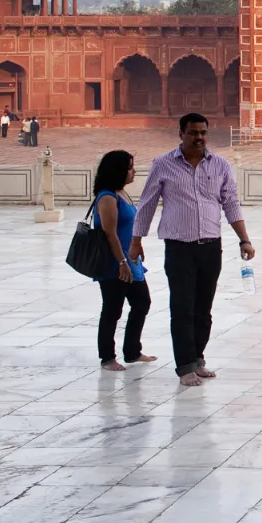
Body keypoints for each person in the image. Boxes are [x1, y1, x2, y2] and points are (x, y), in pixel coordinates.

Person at [132, 112, 256, 388]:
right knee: (182, 306)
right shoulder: (163, 164)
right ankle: (185, 365)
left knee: (203, 308)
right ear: (181, 134)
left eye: (203, 133)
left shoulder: (220, 165)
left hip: (210, 246)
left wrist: (244, 239)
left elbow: (231, 203)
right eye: (193, 133)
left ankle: (198, 358)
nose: (199, 138)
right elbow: (147, 203)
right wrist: (136, 240)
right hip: (179, 247)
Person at [90, 150, 155, 372]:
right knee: (112, 309)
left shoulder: (122, 193)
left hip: (131, 261)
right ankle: (107, 357)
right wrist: (121, 263)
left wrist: (137, 247)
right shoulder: (108, 197)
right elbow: (111, 234)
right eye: (129, 167)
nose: (133, 171)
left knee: (142, 303)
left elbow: (129, 227)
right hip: (114, 263)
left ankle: (132, 350)